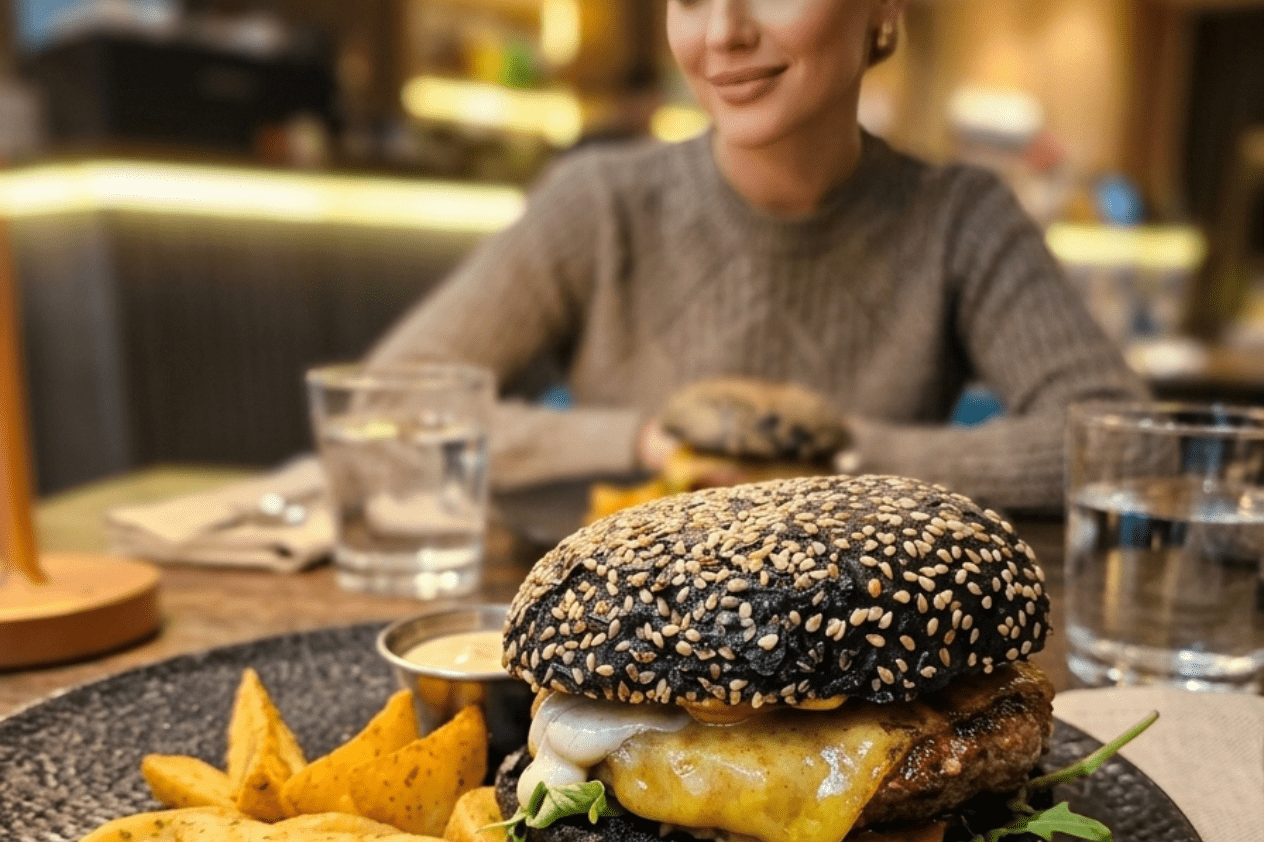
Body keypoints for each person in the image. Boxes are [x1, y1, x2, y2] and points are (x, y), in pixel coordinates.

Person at [366, 0, 1148, 513]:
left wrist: (839, 460)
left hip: (856, 653)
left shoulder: (961, 219)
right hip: (636, 639)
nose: (723, 34)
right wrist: (644, 443)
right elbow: (383, 408)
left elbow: (1127, 446)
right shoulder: (600, 201)